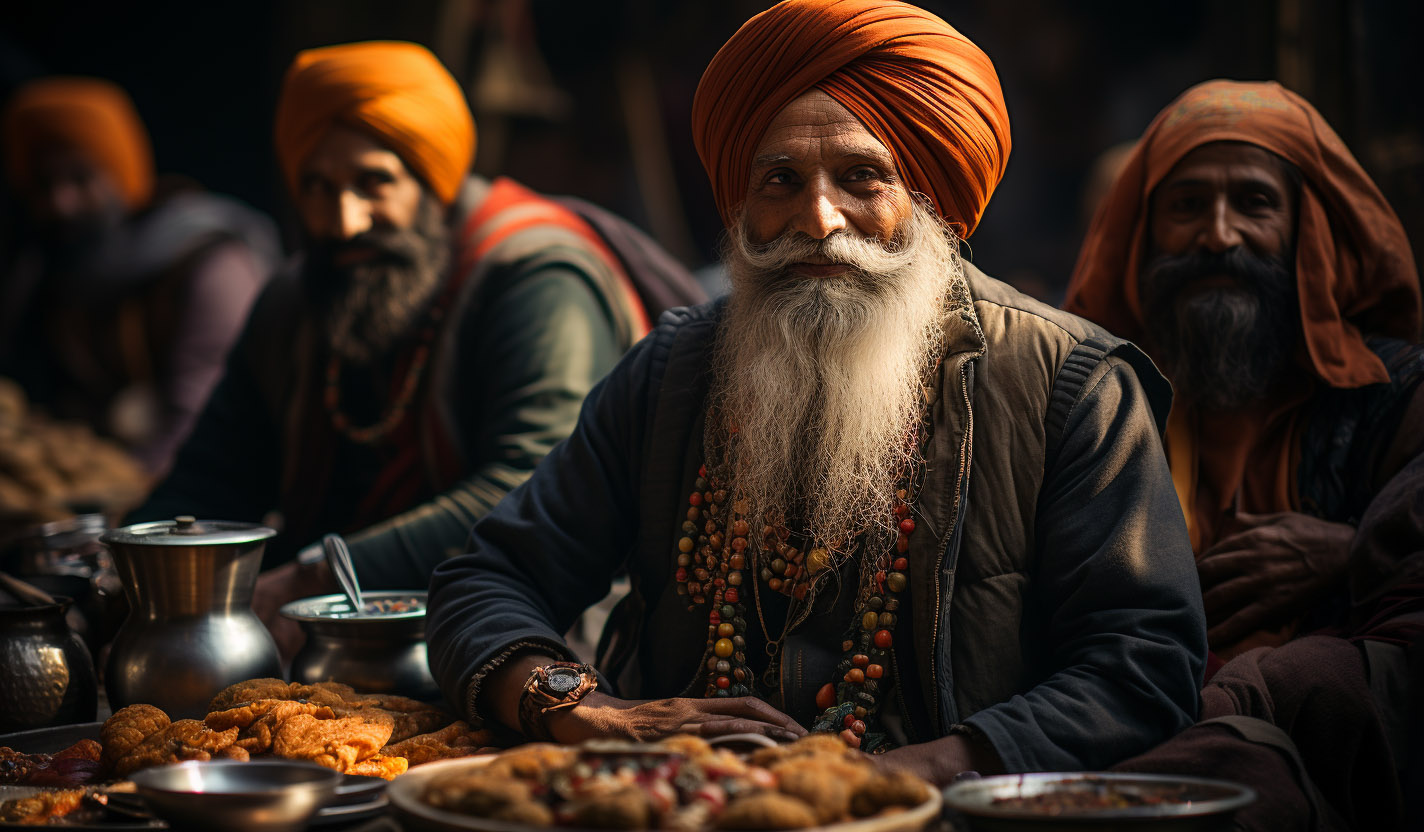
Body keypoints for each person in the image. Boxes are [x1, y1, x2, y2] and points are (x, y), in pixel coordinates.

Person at [428, 0, 1206, 787]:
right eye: (781, 180)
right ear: (743, 206)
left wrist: (912, 776)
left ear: (927, 197)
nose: (820, 217)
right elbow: (487, 579)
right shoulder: (673, 371)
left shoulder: (1070, 385)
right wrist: (588, 711)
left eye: (863, 177)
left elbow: (1142, 666)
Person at [130, 42, 654, 651]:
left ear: (433, 181)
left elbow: (531, 488)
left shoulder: (536, 277)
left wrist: (316, 576)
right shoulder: (302, 295)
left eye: (374, 182)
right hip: (332, 639)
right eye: (318, 188)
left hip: (521, 637)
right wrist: (128, 564)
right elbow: (212, 476)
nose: (344, 220)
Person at [1065, 79, 1423, 831]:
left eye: (1254, 204)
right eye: (1187, 206)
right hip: (1105, 741)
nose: (1218, 235)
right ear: (1145, 234)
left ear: (1308, 232)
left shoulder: (1400, 398)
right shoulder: (1086, 406)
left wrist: (1356, 552)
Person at [2, 77, 278, 475]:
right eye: (45, 184)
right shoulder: (44, 274)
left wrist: (114, 513)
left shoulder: (208, 265)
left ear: (122, 174)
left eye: (81, 178)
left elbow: (202, 426)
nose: (61, 203)